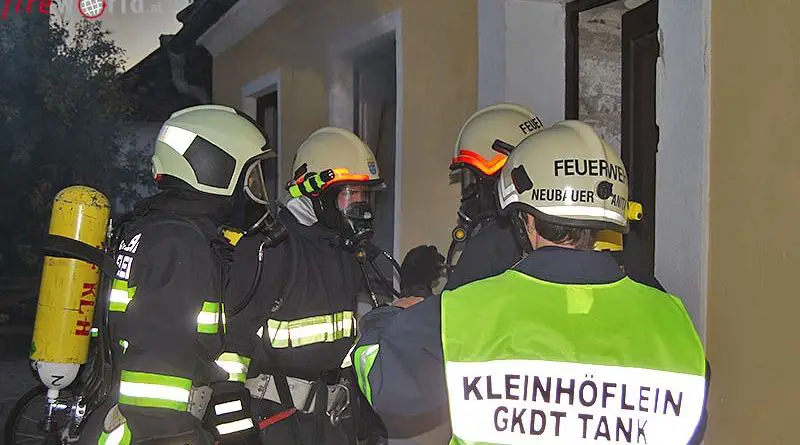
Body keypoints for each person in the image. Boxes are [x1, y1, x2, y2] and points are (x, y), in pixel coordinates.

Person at [351, 120, 710, 444]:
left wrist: (385, 318)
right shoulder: (674, 323)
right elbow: (690, 427)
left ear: (527, 221)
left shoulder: (464, 313)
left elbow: (383, 382)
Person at [81, 105, 274, 445]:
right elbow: (154, 366)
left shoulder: (158, 228)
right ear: (216, 170)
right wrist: (176, 436)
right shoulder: (181, 242)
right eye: (251, 177)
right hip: (154, 431)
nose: (256, 190)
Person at [225, 127, 390, 445]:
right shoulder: (270, 248)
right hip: (275, 422)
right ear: (316, 192)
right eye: (350, 194)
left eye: (364, 195)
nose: (360, 206)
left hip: (332, 424)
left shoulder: (343, 251)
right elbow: (231, 347)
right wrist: (235, 429)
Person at [444, 103, 544, 290]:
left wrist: (416, 287)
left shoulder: (492, 243)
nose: (471, 193)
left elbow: (452, 306)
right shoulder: (552, 231)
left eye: (474, 179)